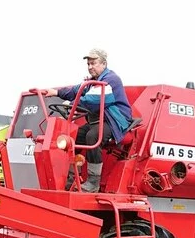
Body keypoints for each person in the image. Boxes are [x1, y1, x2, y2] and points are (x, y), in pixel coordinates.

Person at [42, 48, 133, 192]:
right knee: (73, 137)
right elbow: (75, 91)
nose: (90, 67)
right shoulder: (92, 82)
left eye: (93, 63)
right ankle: (71, 177)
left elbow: (93, 100)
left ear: (103, 64)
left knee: (93, 136)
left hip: (114, 121)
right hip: (98, 121)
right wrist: (56, 92)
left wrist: (71, 105)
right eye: (88, 64)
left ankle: (93, 182)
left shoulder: (110, 80)